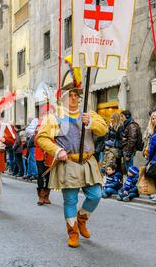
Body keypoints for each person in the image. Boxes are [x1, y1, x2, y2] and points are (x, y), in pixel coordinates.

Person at [37, 83, 108, 248]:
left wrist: (90, 122)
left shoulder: (89, 114)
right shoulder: (53, 117)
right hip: (68, 162)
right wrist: (57, 150)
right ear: (62, 98)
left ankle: (81, 219)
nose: (74, 97)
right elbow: (42, 138)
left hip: (88, 162)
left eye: (76, 94)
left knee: (96, 195)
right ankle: (73, 232)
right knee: (70, 200)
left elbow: (103, 130)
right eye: (70, 94)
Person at [34, 103, 56, 206]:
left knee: (49, 176)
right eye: (47, 112)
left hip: (51, 154)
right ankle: (41, 195)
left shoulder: (55, 125)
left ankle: (47, 195)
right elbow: (35, 141)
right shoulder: (39, 124)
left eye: (50, 112)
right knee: (40, 174)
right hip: (40, 153)